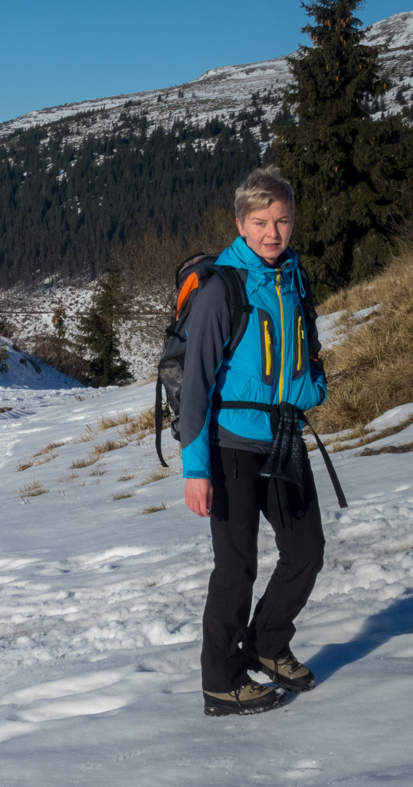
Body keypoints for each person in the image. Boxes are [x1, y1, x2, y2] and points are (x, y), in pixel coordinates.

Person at [179, 166, 327, 717]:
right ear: (240, 223)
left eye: (282, 220)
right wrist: (196, 470)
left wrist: (314, 388)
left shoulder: (293, 276)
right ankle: (221, 681)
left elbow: (299, 354)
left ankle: (267, 641)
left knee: (306, 552)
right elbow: (195, 386)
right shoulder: (223, 287)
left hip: (284, 435)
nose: (273, 232)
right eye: (261, 221)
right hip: (230, 444)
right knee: (236, 566)